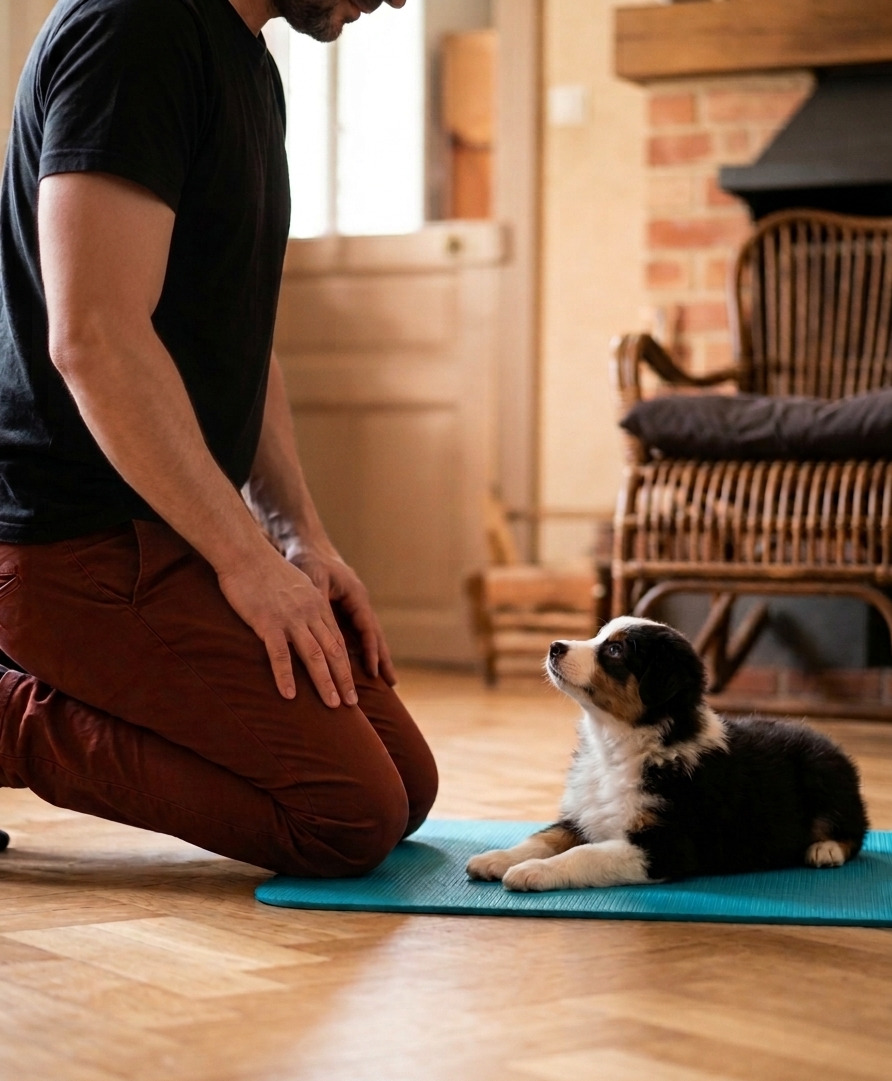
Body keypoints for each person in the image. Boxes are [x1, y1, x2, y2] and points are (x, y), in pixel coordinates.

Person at [0, 0, 438, 878]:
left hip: (170, 525)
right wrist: (243, 563)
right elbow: (95, 337)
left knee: (407, 788)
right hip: (69, 538)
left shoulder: (246, 65)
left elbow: (238, 335)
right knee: (347, 814)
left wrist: (296, 537)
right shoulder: (135, 28)